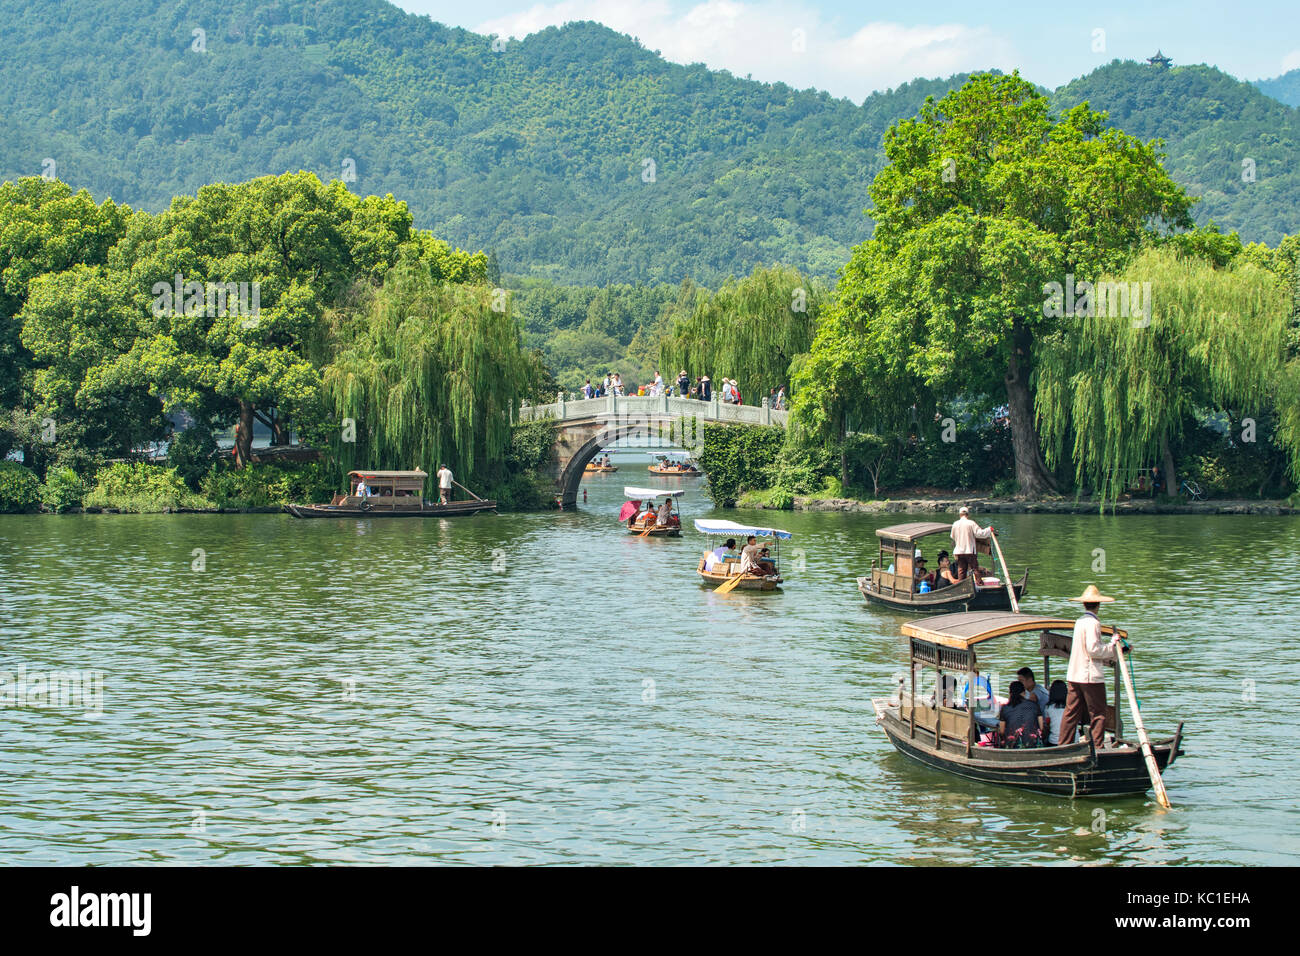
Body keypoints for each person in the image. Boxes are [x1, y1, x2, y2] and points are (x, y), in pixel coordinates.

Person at [1058, 585, 1121, 750]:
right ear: (1098, 605)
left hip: (1075, 674)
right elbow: (1094, 649)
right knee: (1098, 713)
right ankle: (1097, 747)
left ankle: (1063, 744)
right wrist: (1112, 646)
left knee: (1071, 712)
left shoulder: (1079, 622)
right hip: (1090, 676)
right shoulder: (1093, 623)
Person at [950, 506, 993, 580]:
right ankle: (979, 583)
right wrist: (989, 529)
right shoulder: (971, 523)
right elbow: (980, 534)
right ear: (968, 514)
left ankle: (961, 585)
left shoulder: (955, 524)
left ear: (960, 515)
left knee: (961, 570)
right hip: (969, 550)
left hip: (959, 551)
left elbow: (952, 536)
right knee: (975, 568)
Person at [997, 680, 1044, 747]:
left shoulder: (1005, 708)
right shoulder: (1034, 705)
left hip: (1012, 747)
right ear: (1024, 693)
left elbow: (1001, 731)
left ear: (1010, 694)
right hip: (1034, 746)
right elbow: (1041, 728)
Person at [1043, 680, 1068, 745]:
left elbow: (1047, 725)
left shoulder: (1048, 708)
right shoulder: (1071, 707)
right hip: (1073, 740)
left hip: (1054, 741)